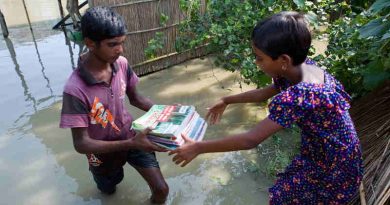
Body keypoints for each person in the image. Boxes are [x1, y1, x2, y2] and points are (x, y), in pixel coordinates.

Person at [169, 11, 363, 204]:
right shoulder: (303, 69)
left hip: (336, 164)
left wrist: (198, 147)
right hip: (326, 150)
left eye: (260, 58)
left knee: (283, 197)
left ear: (284, 60)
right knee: (283, 193)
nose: (256, 63)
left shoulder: (300, 94)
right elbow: (263, 93)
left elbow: (249, 140)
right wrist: (227, 100)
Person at [59, 6, 169, 204]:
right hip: (101, 153)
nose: (120, 50)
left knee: (161, 190)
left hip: (132, 135)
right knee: (109, 191)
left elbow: (136, 98)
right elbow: (81, 144)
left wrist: (167, 111)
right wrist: (130, 143)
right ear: (90, 43)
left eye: (122, 43)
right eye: (112, 44)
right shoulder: (74, 89)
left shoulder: (122, 64)